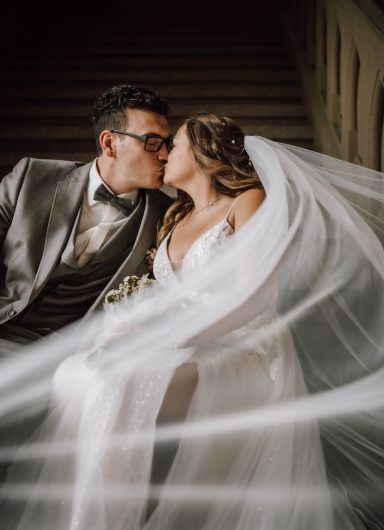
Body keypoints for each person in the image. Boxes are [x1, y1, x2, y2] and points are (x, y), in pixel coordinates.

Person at [1, 113, 384, 530]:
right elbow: (160, 298)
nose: (164, 154)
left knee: (121, 381)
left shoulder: (248, 200)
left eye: (174, 145)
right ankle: (85, 515)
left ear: (203, 154)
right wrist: (125, 327)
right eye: (159, 145)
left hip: (244, 341)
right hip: (183, 339)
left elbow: (255, 299)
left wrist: (164, 336)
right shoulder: (173, 217)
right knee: (78, 371)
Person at [0, 83, 173, 482]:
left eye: (167, 143)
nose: (164, 153)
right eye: (151, 142)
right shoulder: (33, 177)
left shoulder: (168, 217)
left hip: (68, 353)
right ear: (109, 143)